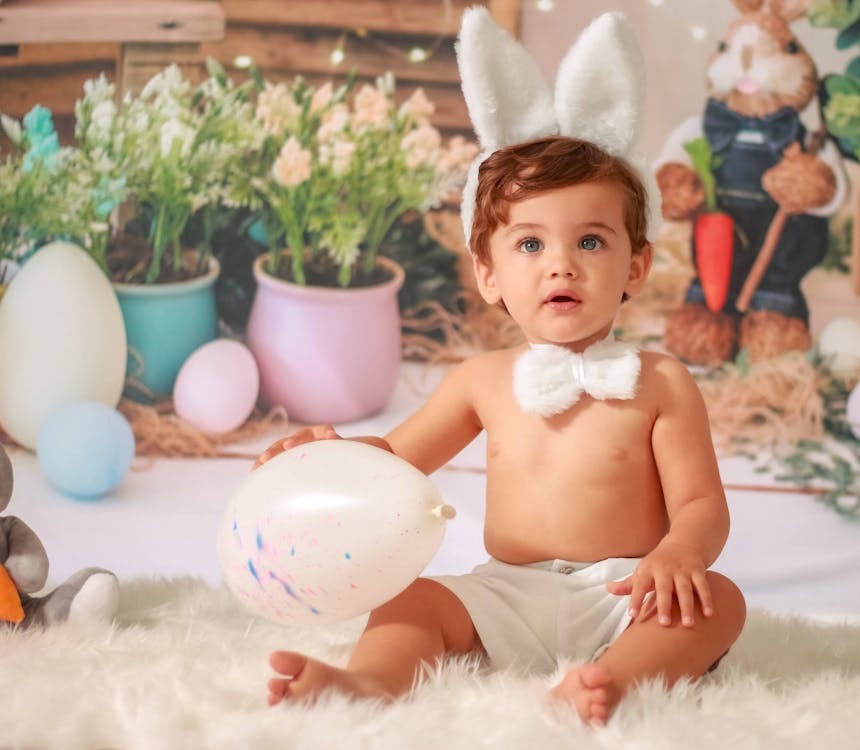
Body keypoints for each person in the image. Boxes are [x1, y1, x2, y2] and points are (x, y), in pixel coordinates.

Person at [255, 135, 746, 724]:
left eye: (590, 240)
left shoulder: (662, 380)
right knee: (414, 598)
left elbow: (699, 501)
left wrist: (679, 552)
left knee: (718, 599)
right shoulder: (481, 379)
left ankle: (613, 680)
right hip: (508, 592)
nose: (561, 263)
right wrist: (330, 458)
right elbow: (394, 459)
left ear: (635, 267)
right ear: (488, 275)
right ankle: (369, 681)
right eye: (531, 243)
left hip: (624, 592)